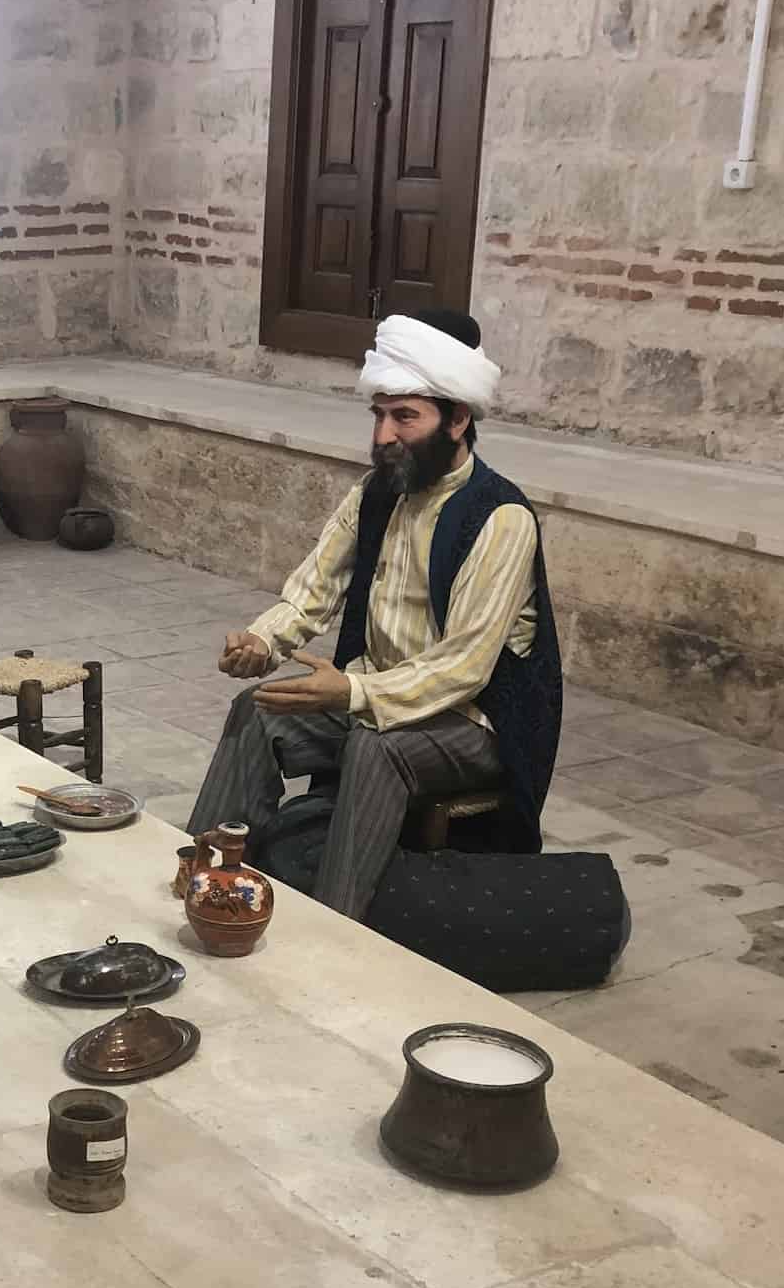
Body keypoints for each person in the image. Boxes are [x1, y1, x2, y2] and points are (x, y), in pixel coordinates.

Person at [185, 310, 563, 921]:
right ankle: (213, 880)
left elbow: (463, 668)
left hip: (474, 721)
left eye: (405, 417)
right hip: (370, 694)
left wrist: (353, 691)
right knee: (257, 712)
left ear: (459, 418)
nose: (385, 435)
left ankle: (337, 924)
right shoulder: (376, 491)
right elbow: (313, 588)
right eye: (379, 415)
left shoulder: (500, 518)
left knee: (375, 749)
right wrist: (261, 640)